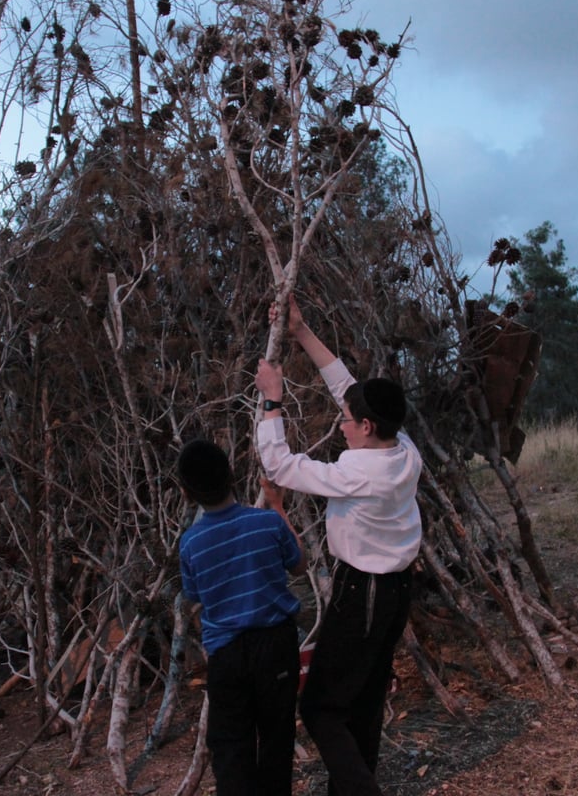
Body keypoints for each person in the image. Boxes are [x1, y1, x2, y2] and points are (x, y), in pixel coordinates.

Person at [254, 294, 423, 796]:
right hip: (394, 592)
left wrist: (272, 401)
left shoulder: (358, 471)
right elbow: (347, 388)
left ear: (367, 427)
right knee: (365, 702)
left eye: (348, 421)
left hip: (364, 593)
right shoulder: (402, 447)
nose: (341, 423)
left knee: (321, 707)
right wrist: (302, 332)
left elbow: (280, 467)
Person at [177, 438, 308, 796]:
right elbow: (299, 564)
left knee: (231, 746)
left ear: (186, 492)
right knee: (277, 738)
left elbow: (196, 596)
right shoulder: (266, 523)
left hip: (227, 655)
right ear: (232, 475)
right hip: (276, 645)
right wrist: (279, 507)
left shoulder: (190, 544)